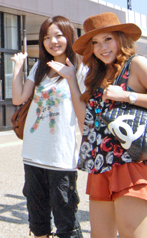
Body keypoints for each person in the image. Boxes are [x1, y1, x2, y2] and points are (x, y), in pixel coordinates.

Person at [72, 12, 147, 238]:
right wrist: (72, 81)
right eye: (95, 42)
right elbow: (88, 124)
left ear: (121, 38)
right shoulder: (97, 75)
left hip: (133, 161)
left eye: (108, 39)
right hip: (100, 163)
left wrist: (127, 96)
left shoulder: (137, 64)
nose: (102, 47)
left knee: (131, 233)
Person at [11, 16, 86, 238]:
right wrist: (18, 68)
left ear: (69, 36)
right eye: (47, 37)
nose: (53, 41)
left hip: (60, 157)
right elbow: (18, 98)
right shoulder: (40, 68)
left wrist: (70, 78)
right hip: (33, 154)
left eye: (58, 35)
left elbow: (83, 115)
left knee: (66, 222)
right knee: (38, 222)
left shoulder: (80, 69)